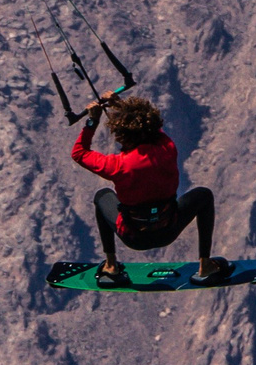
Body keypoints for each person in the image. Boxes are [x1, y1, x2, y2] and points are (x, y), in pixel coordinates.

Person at [70, 95, 229, 288]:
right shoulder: (167, 147)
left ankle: (111, 267)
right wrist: (121, 106)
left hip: (134, 236)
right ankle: (206, 266)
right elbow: (154, 129)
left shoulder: (117, 165)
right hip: (168, 229)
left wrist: (92, 121)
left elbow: (79, 152)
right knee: (204, 195)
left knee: (102, 195)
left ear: (121, 135)